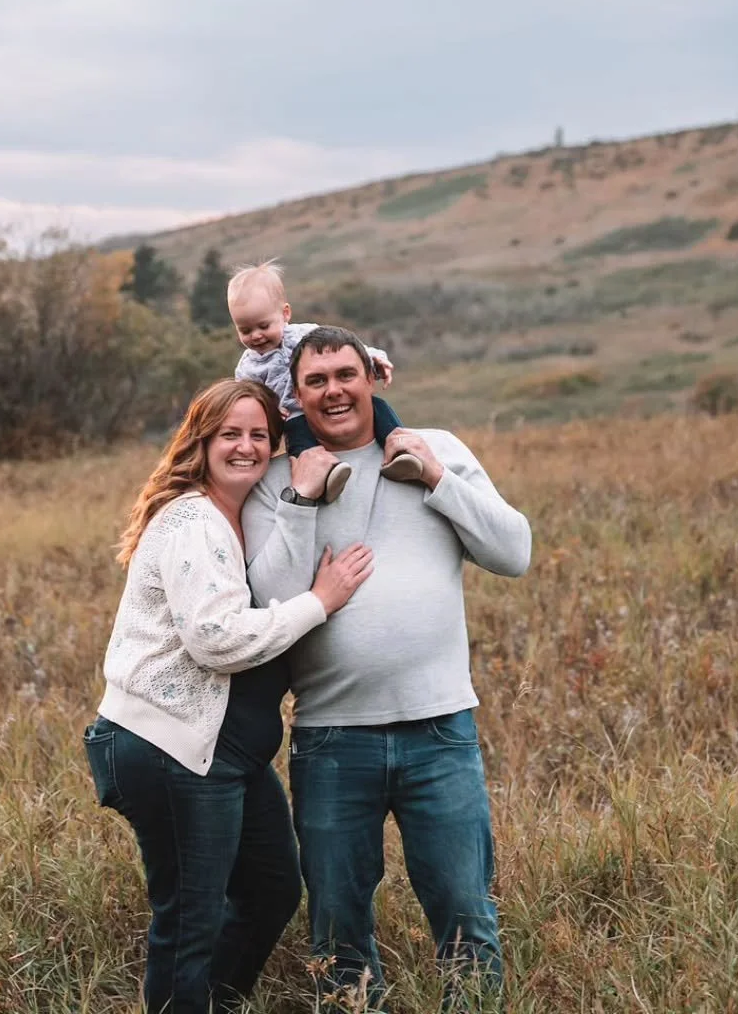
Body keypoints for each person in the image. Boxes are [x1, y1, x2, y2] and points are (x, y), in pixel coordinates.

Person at [242, 327, 532, 1009]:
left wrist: (435, 476)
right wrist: (304, 499)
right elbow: (271, 601)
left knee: (467, 917)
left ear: (371, 376)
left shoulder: (438, 448)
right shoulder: (277, 480)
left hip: (442, 733)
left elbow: (513, 551)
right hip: (333, 741)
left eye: (345, 374)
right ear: (296, 395)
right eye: (315, 381)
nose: (333, 390)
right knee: (339, 933)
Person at [84, 377, 373, 1014]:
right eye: (229, 434)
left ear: (276, 445)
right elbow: (213, 639)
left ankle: (213, 1003)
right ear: (202, 441)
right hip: (168, 743)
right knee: (190, 923)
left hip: (221, 752)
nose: (244, 446)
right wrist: (318, 603)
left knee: (271, 890)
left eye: (258, 436)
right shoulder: (193, 518)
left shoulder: (237, 516)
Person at [227, 260, 421, 501]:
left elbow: (347, 350)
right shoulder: (248, 366)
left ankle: (400, 449)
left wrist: (375, 360)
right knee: (299, 440)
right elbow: (248, 398)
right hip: (295, 414)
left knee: (376, 407)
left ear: (285, 314)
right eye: (245, 330)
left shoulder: (304, 335)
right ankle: (323, 475)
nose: (256, 336)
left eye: (263, 326)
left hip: (324, 404)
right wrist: (270, 412)